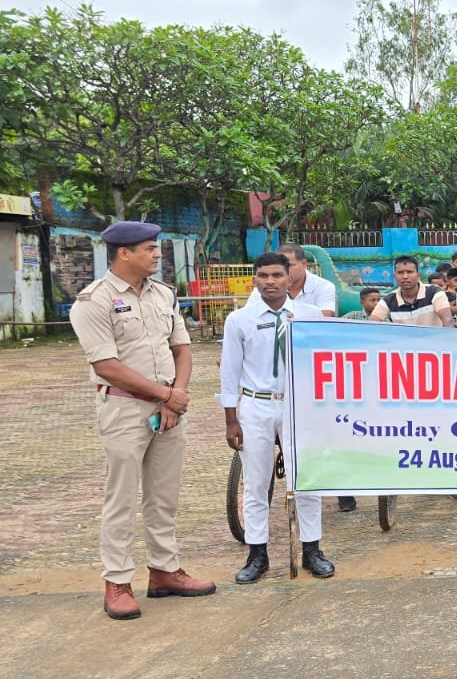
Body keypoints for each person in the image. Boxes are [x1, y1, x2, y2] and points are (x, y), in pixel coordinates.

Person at [69, 221, 215, 620]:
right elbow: (107, 366)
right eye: (149, 248)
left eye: (156, 247)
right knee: (121, 497)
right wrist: (165, 395)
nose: (157, 254)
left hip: (168, 409)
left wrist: (174, 398)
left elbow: (181, 349)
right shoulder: (94, 301)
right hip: (124, 408)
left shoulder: (163, 294)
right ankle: (117, 581)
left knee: (164, 495)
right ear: (124, 253)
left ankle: (165, 570)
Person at [221, 252, 336, 584]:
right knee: (256, 484)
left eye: (276, 275)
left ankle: (312, 550)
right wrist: (231, 419)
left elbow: (326, 360)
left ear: (290, 278)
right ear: (254, 280)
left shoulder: (309, 315)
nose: (269, 282)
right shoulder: (239, 320)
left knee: (306, 480)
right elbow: (230, 372)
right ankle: (257, 554)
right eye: (263, 276)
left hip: (299, 406)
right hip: (256, 406)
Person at [248, 243, 338, 316]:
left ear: (304, 264)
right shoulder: (266, 288)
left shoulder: (323, 286)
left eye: (289, 265)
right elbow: (248, 316)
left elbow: (324, 318)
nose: (284, 270)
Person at [372, 255, 454, 327]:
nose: (405, 276)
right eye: (400, 272)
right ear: (395, 277)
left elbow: (448, 320)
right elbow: (372, 324)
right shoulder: (388, 300)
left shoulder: (434, 292)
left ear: (418, 276)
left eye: (409, 272)